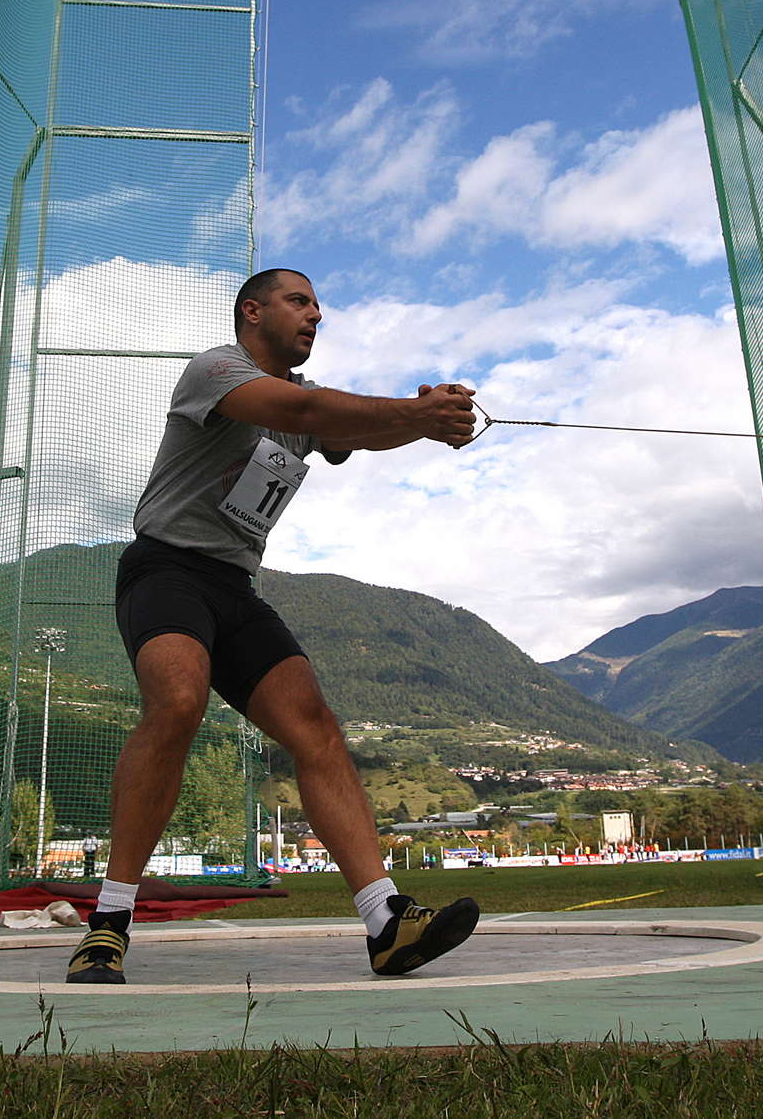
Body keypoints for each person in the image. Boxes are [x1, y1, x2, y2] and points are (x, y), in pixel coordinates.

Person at [66, 269, 481, 985]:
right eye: (300, 301)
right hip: (165, 571)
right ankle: (108, 923)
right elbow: (307, 407)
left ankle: (386, 922)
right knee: (178, 703)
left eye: (318, 305)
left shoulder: (304, 406)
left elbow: (353, 432)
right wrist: (415, 413)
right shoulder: (217, 371)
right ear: (252, 312)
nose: (316, 314)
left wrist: (420, 421)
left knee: (316, 728)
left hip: (233, 585)